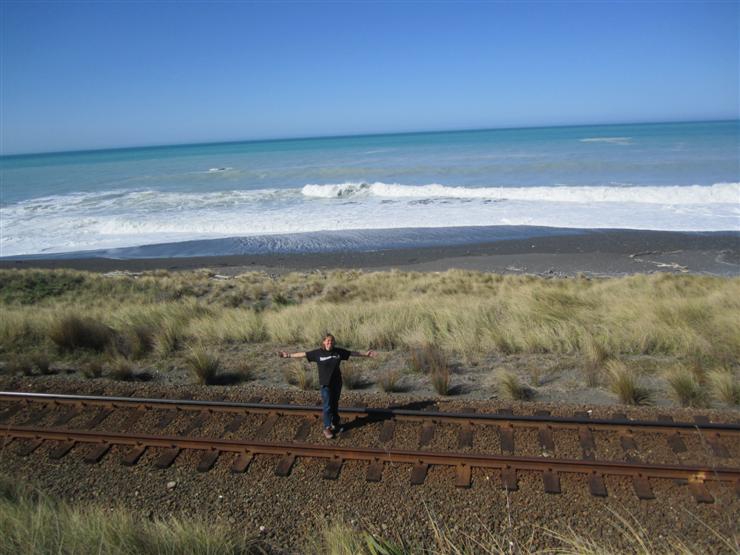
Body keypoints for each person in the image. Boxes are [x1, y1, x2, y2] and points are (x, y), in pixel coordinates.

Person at [279, 333, 376, 439]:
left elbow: (352, 353)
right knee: (327, 406)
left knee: (334, 404)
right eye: (328, 341)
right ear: (324, 342)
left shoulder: (338, 352)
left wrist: (366, 354)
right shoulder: (318, 353)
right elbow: (304, 354)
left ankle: (336, 423)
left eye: (331, 341)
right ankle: (327, 427)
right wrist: (288, 355)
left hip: (337, 383)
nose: (330, 343)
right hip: (325, 384)